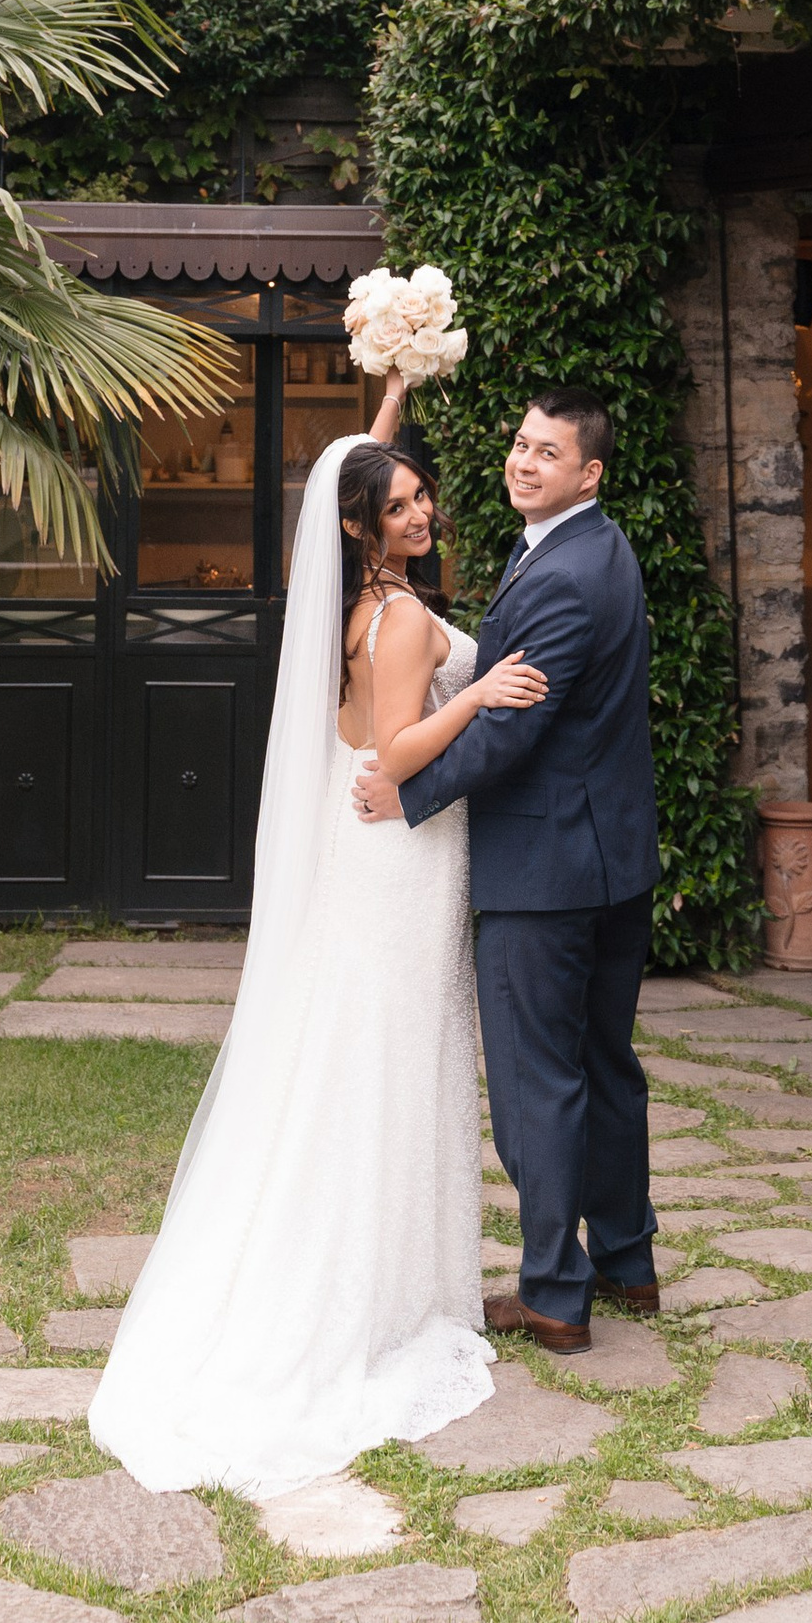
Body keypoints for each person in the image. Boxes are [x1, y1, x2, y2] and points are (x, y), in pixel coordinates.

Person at [89, 386, 549, 1497]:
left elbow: (352, 477)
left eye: (422, 495)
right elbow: (392, 754)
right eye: (401, 505)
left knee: (359, 1048)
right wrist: (478, 691)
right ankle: (372, 1298)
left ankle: (400, 1275)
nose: (422, 509)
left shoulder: (351, 588)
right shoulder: (392, 619)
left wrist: (391, 385)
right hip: (393, 850)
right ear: (363, 526)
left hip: (376, 856)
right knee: (384, 1057)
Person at [354, 388, 660, 1354]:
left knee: (540, 1084)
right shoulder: (592, 550)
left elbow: (510, 732)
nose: (525, 462)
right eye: (520, 445)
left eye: (548, 452)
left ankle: (554, 1296)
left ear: (589, 473)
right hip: (610, 859)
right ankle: (626, 1261)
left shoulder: (566, 574)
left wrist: (411, 795)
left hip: (547, 869)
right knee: (605, 1067)